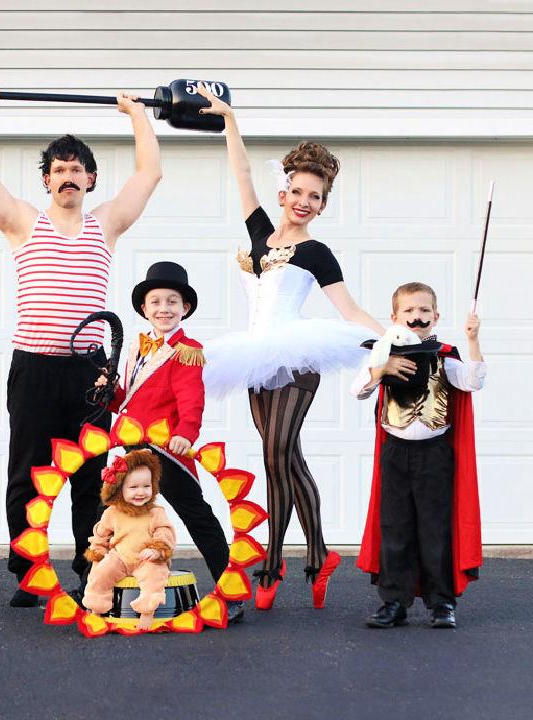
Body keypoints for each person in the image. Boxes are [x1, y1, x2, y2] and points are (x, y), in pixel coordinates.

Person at [0, 85, 162, 607]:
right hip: (35, 367)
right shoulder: (25, 223)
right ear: (47, 179)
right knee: (28, 472)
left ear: (90, 179)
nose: (68, 177)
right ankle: (29, 572)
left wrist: (137, 115)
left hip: (89, 374)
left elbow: (149, 175)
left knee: (90, 475)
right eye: (59, 169)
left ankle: (86, 570)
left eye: (77, 169)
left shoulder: (105, 225)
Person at [196, 86, 384, 611]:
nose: (304, 202)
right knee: (283, 458)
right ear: (284, 192)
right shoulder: (258, 233)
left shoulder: (317, 252)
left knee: (278, 452)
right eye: (298, 191)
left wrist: (395, 339)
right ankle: (319, 554)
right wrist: (231, 119)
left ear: (323, 206)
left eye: (315, 197)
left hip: (297, 357)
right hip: (254, 355)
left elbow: (349, 312)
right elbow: (240, 175)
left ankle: (274, 564)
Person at [95, 261, 243, 623]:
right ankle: (100, 587)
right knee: (120, 516)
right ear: (144, 309)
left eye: (172, 302)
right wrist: (107, 393)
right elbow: (127, 401)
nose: (164, 309)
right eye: (156, 302)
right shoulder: (136, 348)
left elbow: (191, 400)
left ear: (185, 308)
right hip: (132, 448)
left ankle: (232, 591)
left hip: (166, 450)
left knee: (197, 515)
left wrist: (185, 434)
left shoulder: (188, 350)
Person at [352, 282, 485, 629]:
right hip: (395, 452)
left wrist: (472, 340)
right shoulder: (384, 352)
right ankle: (394, 602)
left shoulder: (445, 354)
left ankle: (442, 603)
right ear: (395, 317)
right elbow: (359, 390)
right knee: (395, 528)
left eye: (424, 311)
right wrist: (380, 370)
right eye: (409, 311)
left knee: (435, 529)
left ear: (436, 316)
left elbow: (473, 381)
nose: (416, 317)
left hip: (434, 454)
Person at [83, 450, 176, 631]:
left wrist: (157, 550)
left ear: (153, 486)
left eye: (146, 486)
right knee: (100, 574)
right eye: (133, 488)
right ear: (119, 490)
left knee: (155, 576)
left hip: (146, 559)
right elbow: (101, 535)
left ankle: (147, 612)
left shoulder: (156, 513)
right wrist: (98, 553)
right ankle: (96, 609)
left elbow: (165, 533)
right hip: (120, 557)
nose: (140, 492)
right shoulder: (112, 513)